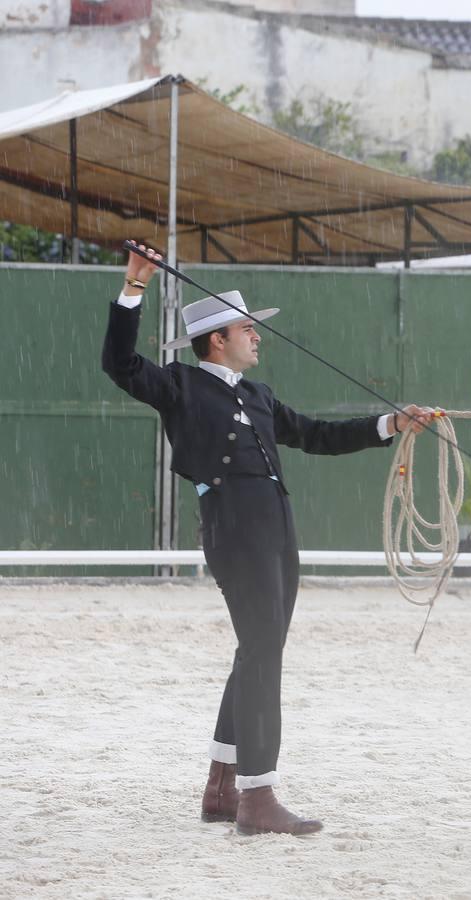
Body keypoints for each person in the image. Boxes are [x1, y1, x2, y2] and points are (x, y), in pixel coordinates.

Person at [102, 243, 434, 836]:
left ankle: (222, 786)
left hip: (277, 527)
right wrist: (134, 289)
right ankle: (258, 796)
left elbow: (313, 434)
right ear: (216, 339)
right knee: (264, 655)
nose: (257, 336)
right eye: (247, 329)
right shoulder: (179, 384)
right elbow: (119, 363)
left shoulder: (257, 395)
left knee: (257, 650)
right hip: (233, 528)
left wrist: (390, 424)